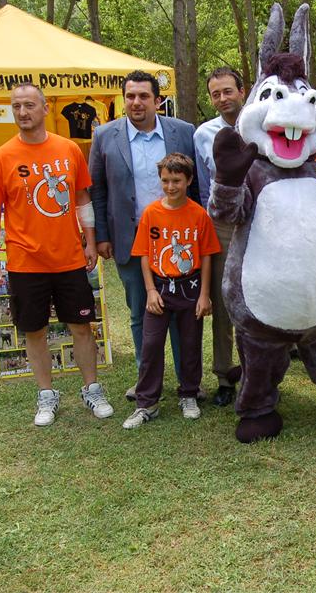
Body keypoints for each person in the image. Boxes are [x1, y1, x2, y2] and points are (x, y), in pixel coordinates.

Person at [0, 83, 114, 427]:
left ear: (44, 108)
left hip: (69, 258)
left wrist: (90, 241)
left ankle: (92, 389)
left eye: (29, 105)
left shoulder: (68, 149)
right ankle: (46, 395)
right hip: (26, 262)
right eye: (16, 106)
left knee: (81, 326)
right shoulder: (1, 158)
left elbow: (82, 199)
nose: (22, 112)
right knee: (34, 330)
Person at [88, 70, 199, 400]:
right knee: (141, 312)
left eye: (144, 96)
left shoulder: (183, 132)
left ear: (158, 100)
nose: (136, 102)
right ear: (124, 99)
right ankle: (146, 381)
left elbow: (197, 186)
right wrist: (102, 235)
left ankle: (187, 383)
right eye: (130, 96)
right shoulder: (104, 136)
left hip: (178, 240)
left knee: (181, 312)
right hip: (131, 239)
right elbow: (97, 190)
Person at [123, 153, 221, 428]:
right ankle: (147, 403)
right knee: (151, 345)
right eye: (165, 180)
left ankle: (189, 393)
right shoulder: (151, 213)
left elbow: (206, 256)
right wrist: (150, 290)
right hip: (160, 289)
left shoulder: (199, 215)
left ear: (188, 181)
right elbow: (144, 254)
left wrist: (204, 294)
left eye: (176, 180)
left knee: (190, 343)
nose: (170, 186)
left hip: (190, 288)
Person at [192, 67, 247, 406]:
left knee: (259, 295)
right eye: (216, 94)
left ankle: (260, 369)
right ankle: (225, 375)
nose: (223, 98)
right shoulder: (203, 134)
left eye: (228, 91)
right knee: (224, 298)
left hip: (259, 222)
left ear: (242, 91)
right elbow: (202, 185)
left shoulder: (263, 124)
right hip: (222, 224)